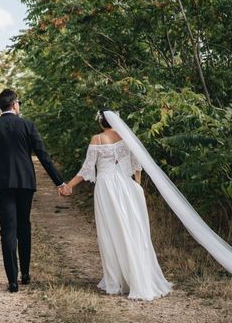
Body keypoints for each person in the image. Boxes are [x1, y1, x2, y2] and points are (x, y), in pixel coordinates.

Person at [65, 108, 171, 301]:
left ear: (100, 122)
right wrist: (137, 186)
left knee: (112, 231)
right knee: (131, 230)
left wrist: (69, 186)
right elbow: (137, 163)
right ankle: (136, 277)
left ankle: (116, 281)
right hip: (126, 187)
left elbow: (87, 169)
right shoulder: (126, 137)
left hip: (106, 188)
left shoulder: (97, 139)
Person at [0, 89, 71, 292]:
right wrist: (59, 182)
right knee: (24, 226)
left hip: (1, 184)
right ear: (14, 105)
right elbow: (43, 155)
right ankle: (26, 274)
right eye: (18, 103)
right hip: (25, 183)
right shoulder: (28, 126)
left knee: (7, 229)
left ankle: (12, 280)